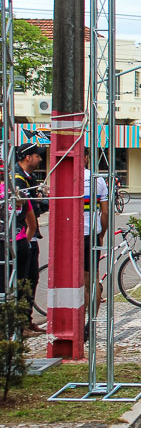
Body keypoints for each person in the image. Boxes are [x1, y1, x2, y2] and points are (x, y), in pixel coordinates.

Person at [14, 143, 48, 334]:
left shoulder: (30, 178)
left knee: (32, 278)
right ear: (28, 157)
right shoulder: (18, 180)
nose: (40, 159)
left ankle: (27, 320)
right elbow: (27, 209)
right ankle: (20, 323)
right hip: (23, 236)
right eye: (37, 156)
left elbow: (34, 206)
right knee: (22, 280)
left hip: (31, 236)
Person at [83, 167, 109, 318]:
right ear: (86, 158)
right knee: (92, 281)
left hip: (72, 234)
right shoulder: (97, 179)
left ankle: (77, 324)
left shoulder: (64, 177)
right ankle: (91, 323)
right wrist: (101, 234)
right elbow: (105, 212)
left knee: (75, 282)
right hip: (92, 234)